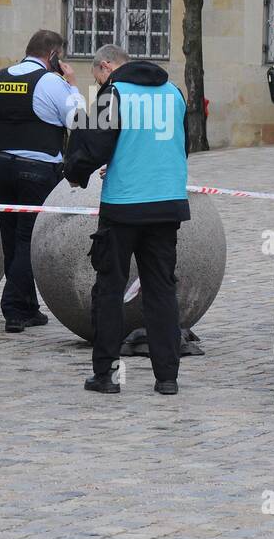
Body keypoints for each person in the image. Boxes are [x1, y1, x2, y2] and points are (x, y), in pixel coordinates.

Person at [64, 44, 189, 397]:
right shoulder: (174, 93)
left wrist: (75, 173)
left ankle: (106, 374)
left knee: (110, 289)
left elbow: (90, 143)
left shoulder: (114, 93)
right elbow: (180, 144)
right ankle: (167, 377)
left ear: (107, 67)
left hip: (124, 205)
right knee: (162, 289)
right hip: (167, 203)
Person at [0, 29, 82, 333]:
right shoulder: (53, 82)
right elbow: (78, 121)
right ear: (53, 56)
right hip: (38, 170)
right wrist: (73, 86)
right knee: (27, 239)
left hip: (1, 167)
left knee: (10, 237)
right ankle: (13, 308)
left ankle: (26, 307)